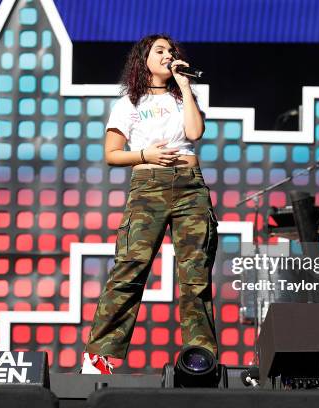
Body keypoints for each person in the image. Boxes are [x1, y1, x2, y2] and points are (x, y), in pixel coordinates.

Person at [80, 34, 219, 374]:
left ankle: (200, 361)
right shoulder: (130, 100)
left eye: (171, 51)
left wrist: (185, 87)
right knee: (129, 270)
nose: (168, 56)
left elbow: (195, 133)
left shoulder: (184, 95)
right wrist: (147, 154)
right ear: (143, 59)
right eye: (160, 51)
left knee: (195, 278)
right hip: (148, 187)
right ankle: (99, 359)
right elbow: (111, 154)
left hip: (190, 189)